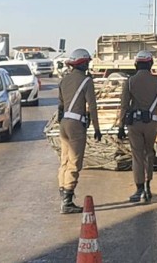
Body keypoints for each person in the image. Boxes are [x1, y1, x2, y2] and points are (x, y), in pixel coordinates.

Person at [117, 50, 157, 202]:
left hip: (134, 124)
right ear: (150, 64)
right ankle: (148, 186)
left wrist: (121, 125)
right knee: (149, 153)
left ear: (136, 64)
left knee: (137, 156)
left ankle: (139, 189)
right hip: (152, 124)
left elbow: (124, 106)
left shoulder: (130, 82)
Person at [57, 48, 101, 214]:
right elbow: (93, 106)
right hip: (76, 125)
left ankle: (63, 194)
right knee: (75, 162)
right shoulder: (86, 81)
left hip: (64, 123)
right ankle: (67, 201)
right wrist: (96, 128)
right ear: (83, 63)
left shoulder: (63, 81)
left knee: (64, 160)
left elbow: (60, 105)